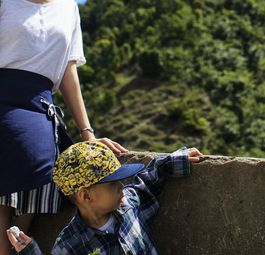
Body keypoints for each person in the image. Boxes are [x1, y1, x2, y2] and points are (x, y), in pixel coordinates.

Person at [0, 0, 127, 253]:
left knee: (46, 173)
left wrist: (87, 133)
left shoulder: (68, 8)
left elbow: (69, 69)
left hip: (39, 105)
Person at [7, 141, 202, 254]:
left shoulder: (129, 204)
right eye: (113, 184)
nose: (122, 187)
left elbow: (149, 179)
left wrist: (172, 161)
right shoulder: (70, 244)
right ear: (85, 195)